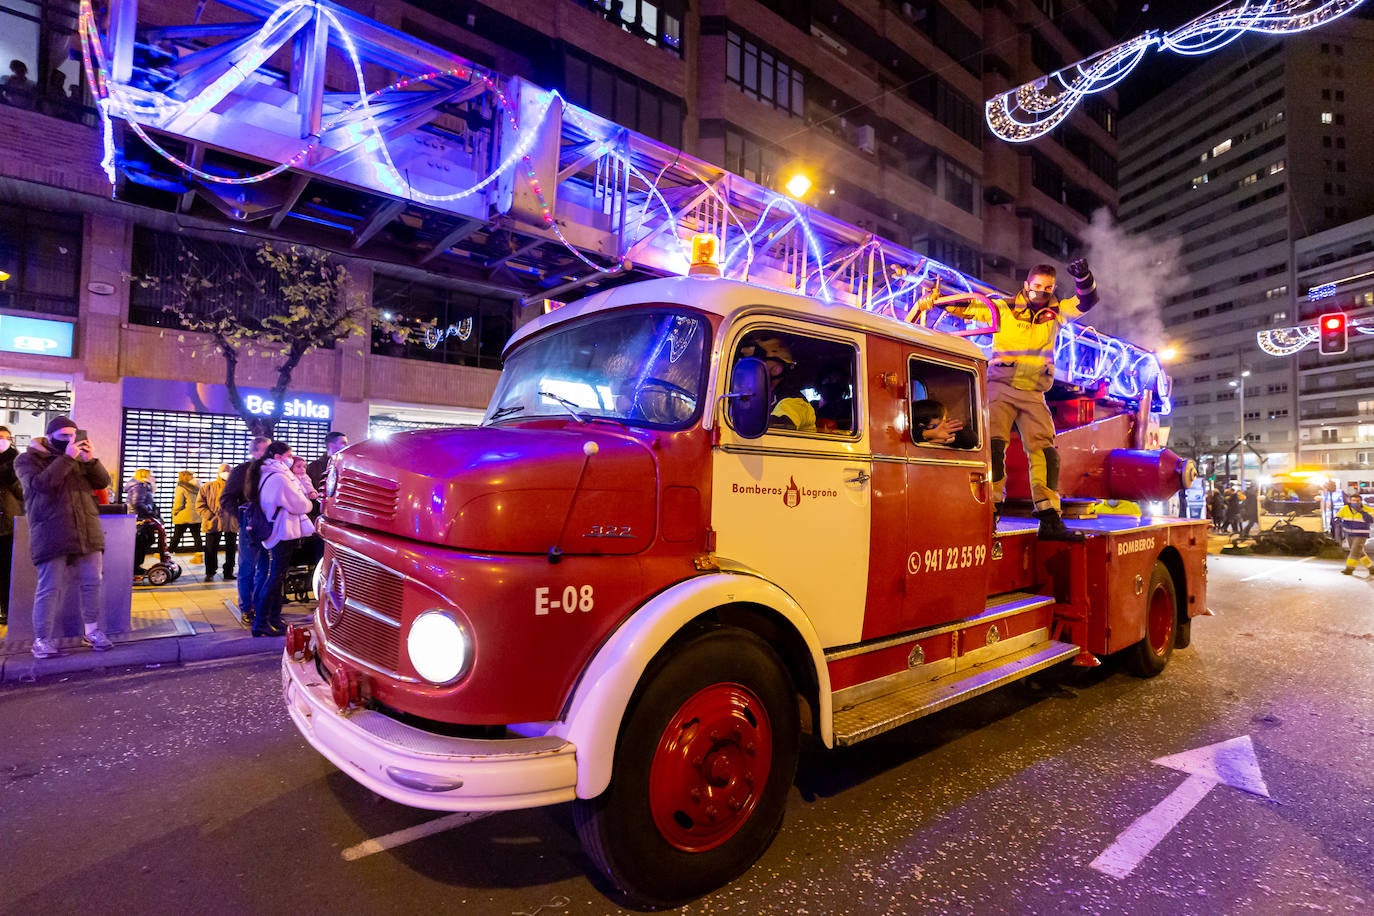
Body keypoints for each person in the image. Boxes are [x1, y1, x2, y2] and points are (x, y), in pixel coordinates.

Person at [918, 260, 1099, 541]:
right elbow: (965, 307)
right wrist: (935, 296)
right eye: (1037, 287)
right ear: (1026, 286)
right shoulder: (1002, 308)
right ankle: (990, 511)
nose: (1041, 292)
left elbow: (1087, 301)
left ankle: (1049, 518)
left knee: (1046, 453)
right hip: (1001, 386)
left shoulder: (1057, 312)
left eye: (1047, 288)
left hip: (1034, 393)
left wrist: (1084, 277)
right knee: (993, 448)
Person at [13, 416, 113, 659]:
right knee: (49, 588)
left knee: (92, 583)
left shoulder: (80, 459)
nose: (70, 440)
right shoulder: (27, 459)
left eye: (74, 435)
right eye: (64, 436)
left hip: (86, 531)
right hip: (51, 532)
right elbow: (41, 485)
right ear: (49, 438)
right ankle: (41, 640)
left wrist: (91, 461)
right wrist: (67, 458)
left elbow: (103, 482)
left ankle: (92, 631)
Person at [249, 441, 314, 636]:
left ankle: (273, 620)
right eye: (289, 455)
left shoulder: (266, 474)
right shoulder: (280, 478)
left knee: (274, 578)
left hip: (273, 531)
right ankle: (261, 623)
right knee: (274, 579)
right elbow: (300, 504)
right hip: (281, 532)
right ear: (278, 457)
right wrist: (307, 501)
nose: (291, 459)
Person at [224, 437, 270, 626]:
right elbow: (226, 498)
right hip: (250, 526)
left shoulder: (273, 470)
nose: (268, 453)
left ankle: (261, 606)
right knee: (247, 568)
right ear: (255, 452)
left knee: (266, 569)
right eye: (264, 450)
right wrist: (243, 518)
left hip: (270, 525)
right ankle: (247, 608)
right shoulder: (242, 471)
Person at [738, 336, 816, 431]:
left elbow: (776, 429)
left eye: (757, 364)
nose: (751, 370)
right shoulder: (766, 399)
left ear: (776, 370)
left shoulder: (794, 401)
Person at [0, 425, 24, 626]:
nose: (4, 441)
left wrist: (12, 478)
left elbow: (24, 494)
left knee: (7, 569)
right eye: (0, 437)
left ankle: (6, 609)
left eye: (8, 437)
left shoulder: (17, 463)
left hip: (9, 523)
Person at [196, 463, 236, 582]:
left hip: (231, 522)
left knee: (231, 548)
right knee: (210, 548)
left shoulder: (235, 488)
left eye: (229, 470)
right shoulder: (208, 487)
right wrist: (210, 516)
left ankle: (228, 571)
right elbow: (199, 504)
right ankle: (210, 572)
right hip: (213, 522)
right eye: (224, 470)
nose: (226, 473)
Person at [125, 468, 160, 572]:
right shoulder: (140, 486)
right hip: (140, 519)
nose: (153, 477)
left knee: (145, 541)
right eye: (151, 475)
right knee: (142, 542)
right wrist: (150, 511)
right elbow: (137, 503)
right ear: (145, 475)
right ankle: (134, 567)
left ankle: (135, 566)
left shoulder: (143, 486)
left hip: (142, 518)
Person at [1335, 493, 1372, 576]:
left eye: (1357, 501)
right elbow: (1338, 516)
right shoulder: (1345, 508)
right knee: (1359, 552)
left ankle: (1349, 568)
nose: (1355, 502)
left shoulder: (1367, 509)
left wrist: (1362, 512)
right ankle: (1371, 567)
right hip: (1349, 533)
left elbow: (1371, 520)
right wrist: (1338, 520)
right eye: (1353, 500)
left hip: (1361, 534)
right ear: (1350, 501)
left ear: (1361, 501)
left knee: (1354, 551)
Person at [169, 469, 204, 552]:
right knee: (197, 536)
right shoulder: (199, 487)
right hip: (196, 515)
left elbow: (179, 503)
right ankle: (199, 555)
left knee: (177, 536)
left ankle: (168, 554)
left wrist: (174, 512)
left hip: (183, 515)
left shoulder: (181, 487)